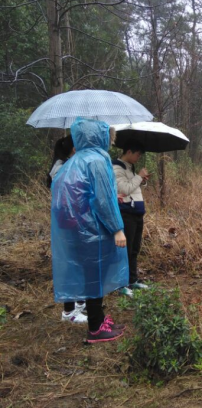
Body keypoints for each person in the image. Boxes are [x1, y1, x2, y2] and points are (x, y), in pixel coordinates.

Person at [51, 118, 128, 343]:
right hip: (94, 230)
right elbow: (103, 199)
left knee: (91, 274)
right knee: (96, 275)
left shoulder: (75, 160)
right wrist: (117, 228)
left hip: (77, 230)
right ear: (99, 136)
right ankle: (96, 328)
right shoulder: (97, 160)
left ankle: (99, 319)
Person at [47, 135, 87, 324]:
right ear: (74, 149)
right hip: (68, 221)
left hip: (71, 220)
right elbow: (69, 195)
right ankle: (69, 311)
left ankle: (79, 301)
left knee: (77, 261)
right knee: (71, 263)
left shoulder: (64, 165)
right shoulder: (62, 168)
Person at [112, 140, 150, 297]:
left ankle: (132, 280)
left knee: (134, 249)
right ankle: (121, 284)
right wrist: (139, 177)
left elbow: (132, 188)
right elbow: (125, 189)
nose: (138, 157)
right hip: (126, 214)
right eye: (137, 154)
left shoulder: (129, 168)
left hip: (136, 213)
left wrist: (141, 180)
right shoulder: (117, 168)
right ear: (128, 152)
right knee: (125, 250)